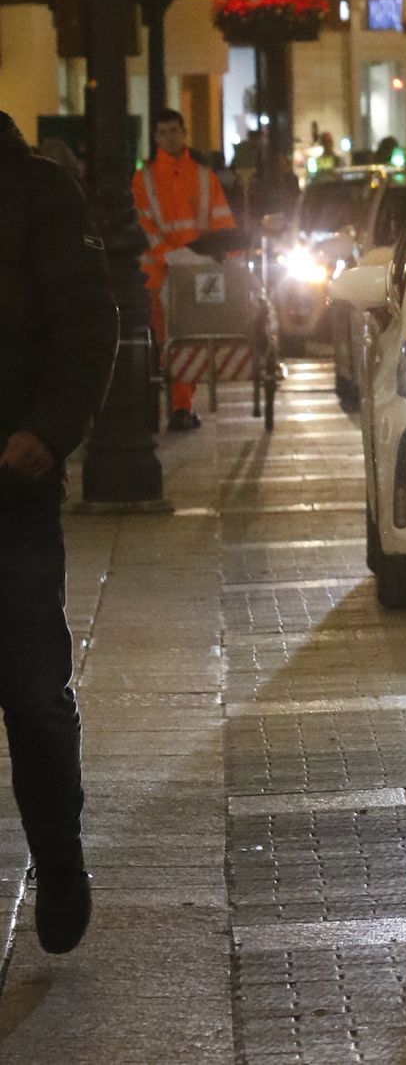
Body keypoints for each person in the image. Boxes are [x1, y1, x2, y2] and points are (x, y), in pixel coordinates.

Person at [0, 111, 119, 956]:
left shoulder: (35, 191)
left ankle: (60, 859)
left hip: (10, 489)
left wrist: (47, 428)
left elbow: (86, 323)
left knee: (34, 697)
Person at [132, 108, 236, 431]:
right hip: (161, 273)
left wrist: (223, 255)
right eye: (163, 132)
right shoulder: (144, 179)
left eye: (174, 131)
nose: (169, 137)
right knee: (166, 341)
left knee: (187, 338)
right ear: (155, 137)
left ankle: (181, 406)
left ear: (184, 133)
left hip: (194, 270)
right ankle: (169, 405)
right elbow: (143, 226)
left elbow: (221, 222)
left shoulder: (204, 177)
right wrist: (172, 255)